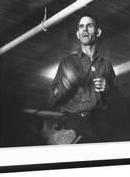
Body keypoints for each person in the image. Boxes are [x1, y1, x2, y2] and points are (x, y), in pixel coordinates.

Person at [48, 14, 116, 144]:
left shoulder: (106, 65)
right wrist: (67, 83)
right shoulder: (68, 61)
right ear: (78, 34)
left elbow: (117, 99)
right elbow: (51, 99)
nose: (84, 29)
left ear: (98, 32)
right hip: (74, 125)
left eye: (89, 26)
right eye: (81, 27)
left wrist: (107, 89)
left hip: (99, 126)